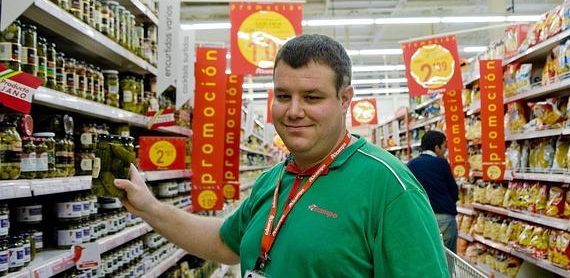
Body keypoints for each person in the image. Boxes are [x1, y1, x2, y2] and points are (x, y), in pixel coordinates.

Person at [114, 34, 449, 277]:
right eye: (284, 95)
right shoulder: (272, 181)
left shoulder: (389, 186)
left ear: (345, 99)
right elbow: (222, 242)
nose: (294, 111)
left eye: (313, 97)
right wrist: (150, 208)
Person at [407, 130, 459, 253]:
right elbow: (453, 190)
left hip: (421, 217)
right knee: (447, 257)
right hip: (443, 216)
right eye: (444, 146)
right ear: (436, 147)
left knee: (427, 254)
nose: (445, 150)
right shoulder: (440, 163)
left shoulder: (411, 165)